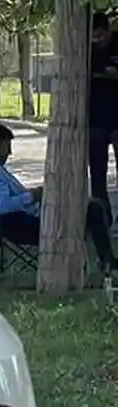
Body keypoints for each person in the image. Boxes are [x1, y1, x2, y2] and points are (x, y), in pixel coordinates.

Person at [0, 121, 116, 273]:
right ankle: (106, 260)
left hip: (21, 219)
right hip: (26, 224)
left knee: (88, 206)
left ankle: (101, 259)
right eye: (7, 147)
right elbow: (2, 206)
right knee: (93, 209)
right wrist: (31, 197)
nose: (10, 153)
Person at [90, 12, 118, 240]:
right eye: (94, 36)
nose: (97, 40)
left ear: (109, 31)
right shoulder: (84, 49)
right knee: (97, 176)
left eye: (101, 36)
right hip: (95, 122)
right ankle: (104, 220)